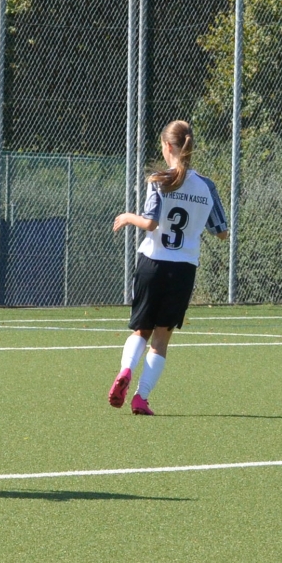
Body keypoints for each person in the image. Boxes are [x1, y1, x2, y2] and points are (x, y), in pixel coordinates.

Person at [109, 119, 228, 415]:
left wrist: (127, 217)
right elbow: (222, 232)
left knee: (141, 331)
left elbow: (150, 223)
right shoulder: (206, 186)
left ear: (167, 146)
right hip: (183, 269)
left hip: (152, 263)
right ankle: (141, 398)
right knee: (161, 339)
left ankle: (125, 370)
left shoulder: (158, 180)